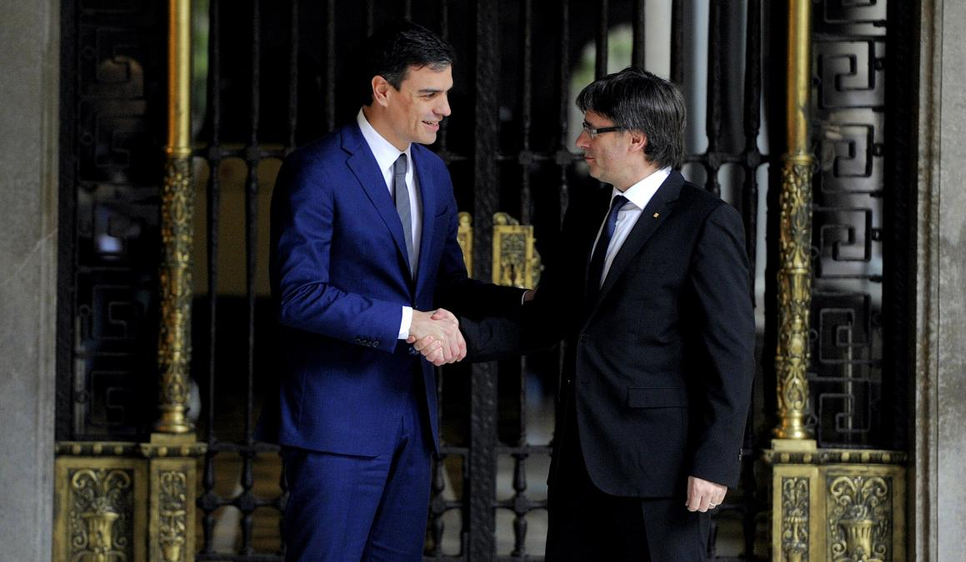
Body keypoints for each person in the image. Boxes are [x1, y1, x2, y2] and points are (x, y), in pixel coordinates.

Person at [419, 67, 756, 561]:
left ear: (636, 138)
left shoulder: (705, 221)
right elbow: (551, 316)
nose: (580, 141)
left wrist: (716, 462)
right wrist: (463, 338)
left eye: (593, 129)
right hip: (580, 464)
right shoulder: (586, 211)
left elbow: (731, 352)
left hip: (660, 473)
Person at [259, 21, 525, 561]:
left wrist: (519, 302)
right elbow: (298, 295)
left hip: (413, 418)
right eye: (429, 94)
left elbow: (446, 283)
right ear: (383, 90)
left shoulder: (433, 173)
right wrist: (411, 323)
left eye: (447, 93)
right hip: (337, 422)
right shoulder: (316, 169)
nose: (445, 109)